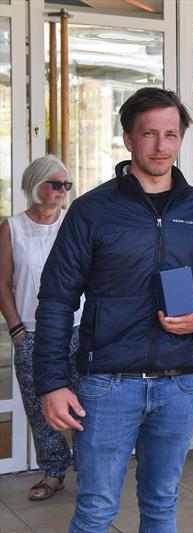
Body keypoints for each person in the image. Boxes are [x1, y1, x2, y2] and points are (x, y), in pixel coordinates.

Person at [33, 87, 193, 532]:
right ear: (128, 139)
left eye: (170, 134)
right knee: (96, 510)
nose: (161, 145)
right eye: (149, 134)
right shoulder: (92, 211)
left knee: (163, 504)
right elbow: (56, 299)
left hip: (179, 384)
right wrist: (52, 383)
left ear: (181, 139)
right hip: (107, 385)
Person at [0, 156, 82, 501]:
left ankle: (90, 469)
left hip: (76, 328)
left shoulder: (74, 224)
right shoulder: (12, 227)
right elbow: (2, 282)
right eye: (56, 184)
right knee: (40, 406)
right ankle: (53, 471)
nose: (63, 191)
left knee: (84, 404)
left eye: (66, 185)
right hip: (32, 332)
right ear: (36, 186)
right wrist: (17, 329)